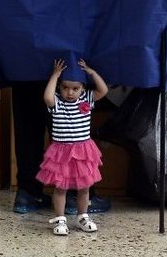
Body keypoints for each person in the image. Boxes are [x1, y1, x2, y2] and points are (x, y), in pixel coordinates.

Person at [35, 58, 108, 235]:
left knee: (84, 187)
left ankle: (83, 215)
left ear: (82, 88)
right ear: (59, 87)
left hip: (82, 152)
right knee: (61, 188)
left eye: (75, 88)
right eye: (65, 87)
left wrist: (92, 73)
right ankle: (60, 219)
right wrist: (55, 76)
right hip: (62, 153)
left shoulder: (87, 99)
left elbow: (103, 90)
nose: (70, 92)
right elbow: (47, 97)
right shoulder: (57, 103)